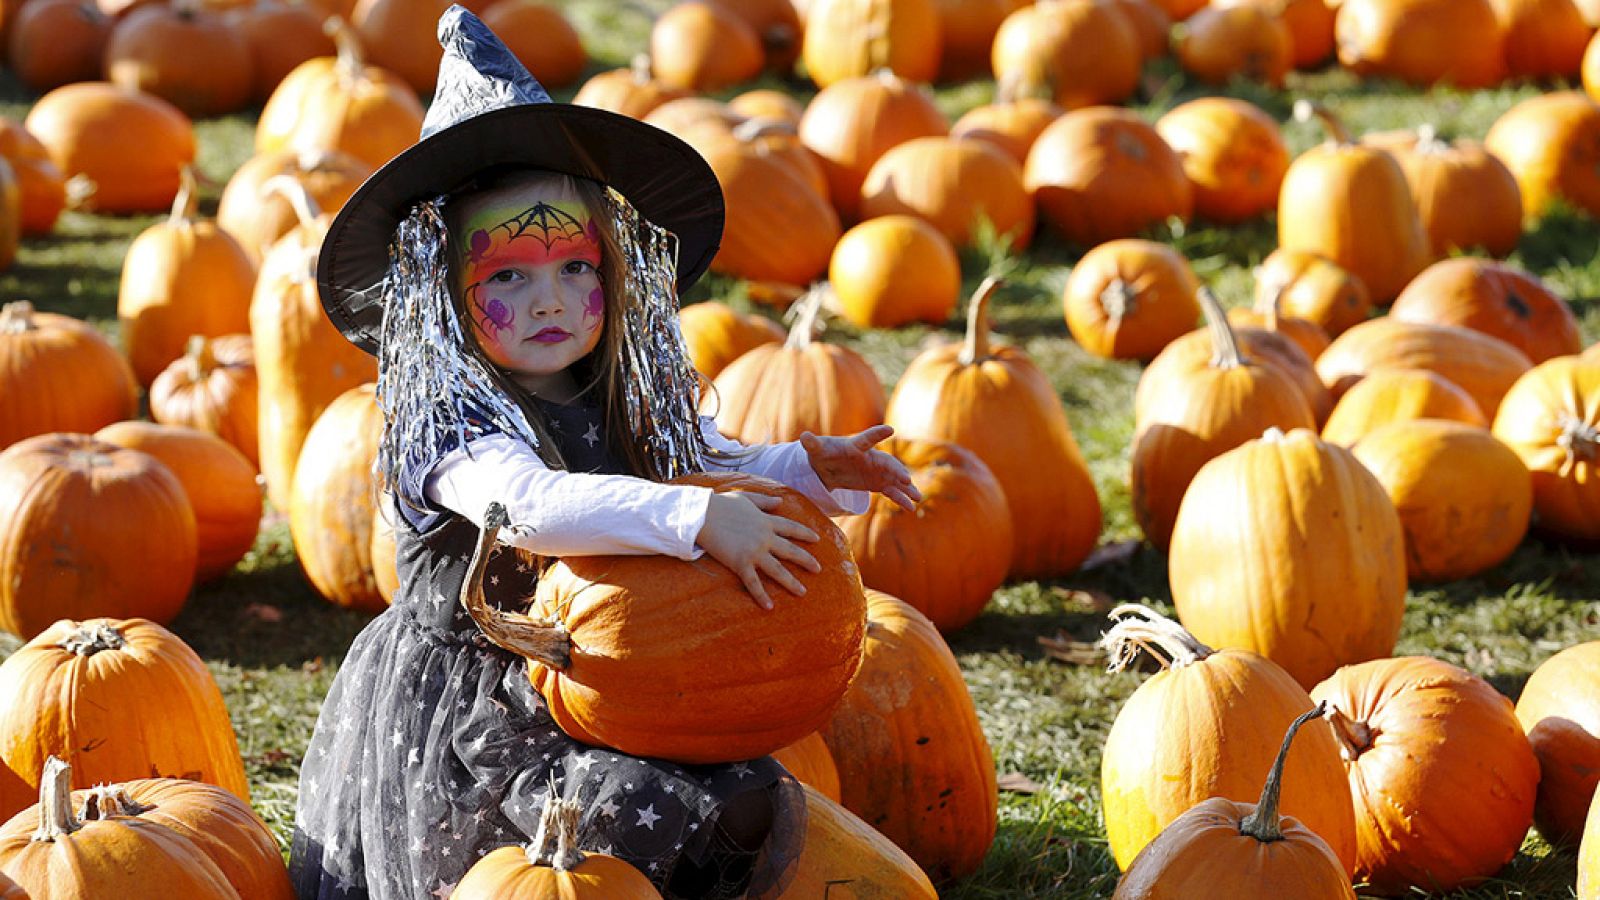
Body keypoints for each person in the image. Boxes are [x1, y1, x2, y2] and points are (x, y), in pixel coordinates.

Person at [289, 7, 920, 900]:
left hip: (624, 669)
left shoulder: (612, 386)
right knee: (594, 837)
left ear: (611, 270)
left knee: (750, 795)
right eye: (508, 275)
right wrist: (699, 520)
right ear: (445, 293)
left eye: (574, 268)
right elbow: (534, 507)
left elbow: (707, 454)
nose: (550, 298)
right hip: (489, 703)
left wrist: (807, 470)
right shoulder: (454, 425)